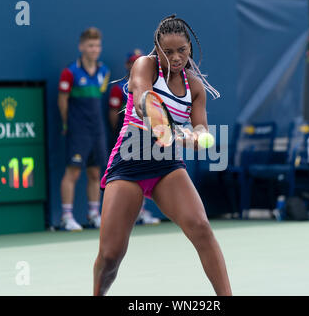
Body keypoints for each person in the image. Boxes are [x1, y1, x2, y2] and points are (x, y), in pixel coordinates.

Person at [93, 15, 232, 295]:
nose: (175, 57)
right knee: (111, 255)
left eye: (181, 50)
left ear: (189, 48)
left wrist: (196, 138)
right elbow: (145, 100)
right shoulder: (144, 65)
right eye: (167, 52)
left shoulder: (195, 87)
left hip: (167, 165)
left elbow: (200, 128)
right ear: (156, 49)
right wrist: (164, 127)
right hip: (129, 162)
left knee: (201, 227)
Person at [58, 27, 110, 231]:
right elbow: (62, 101)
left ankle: (93, 214)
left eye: (97, 45)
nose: (94, 49)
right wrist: (66, 124)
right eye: (90, 45)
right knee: (73, 173)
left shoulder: (104, 71)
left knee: (96, 174)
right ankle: (66, 216)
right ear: (81, 47)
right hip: (78, 130)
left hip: (97, 130)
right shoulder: (69, 72)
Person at [109, 49, 161, 225]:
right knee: (128, 178)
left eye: (139, 61)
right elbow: (113, 114)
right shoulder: (119, 89)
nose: (136, 65)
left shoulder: (153, 85)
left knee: (144, 172)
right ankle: (125, 216)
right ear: (127, 65)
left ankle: (142, 211)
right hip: (125, 138)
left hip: (148, 138)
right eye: (132, 61)